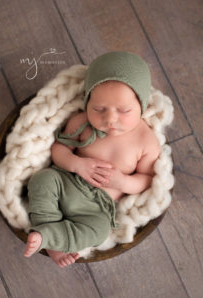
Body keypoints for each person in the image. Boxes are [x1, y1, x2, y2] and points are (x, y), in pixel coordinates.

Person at [24, 51, 161, 268]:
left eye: (124, 110)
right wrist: (77, 164)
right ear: (87, 101)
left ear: (142, 106)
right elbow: (59, 150)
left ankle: (51, 237)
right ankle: (48, 233)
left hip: (96, 207)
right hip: (67, 182)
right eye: (98, 109)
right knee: (43, 179)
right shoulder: (81, 122)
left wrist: (123, 182)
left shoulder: (147, 141)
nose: (110, 119)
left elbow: (147, 178)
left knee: (100, 231)